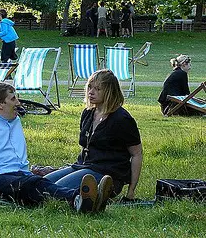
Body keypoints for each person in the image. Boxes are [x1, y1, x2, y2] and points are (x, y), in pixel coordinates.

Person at [0, 82, 114, 213]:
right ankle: (78, 198)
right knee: (31, 184)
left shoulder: (15, 121)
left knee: (38, 184)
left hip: (19, 175)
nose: (18, 102)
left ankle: (89, 200)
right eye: (13, 99)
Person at [43, 69, 143, 201]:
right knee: (42, 184)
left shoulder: (122, 119)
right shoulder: (88, 113)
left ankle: (98, 193)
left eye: (98, 89)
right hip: (83, 166)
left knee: (54, 191)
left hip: (107, 172)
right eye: (89, 87)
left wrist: (131, 191)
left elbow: (137, 154)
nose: (91, 92)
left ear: (109, 91)